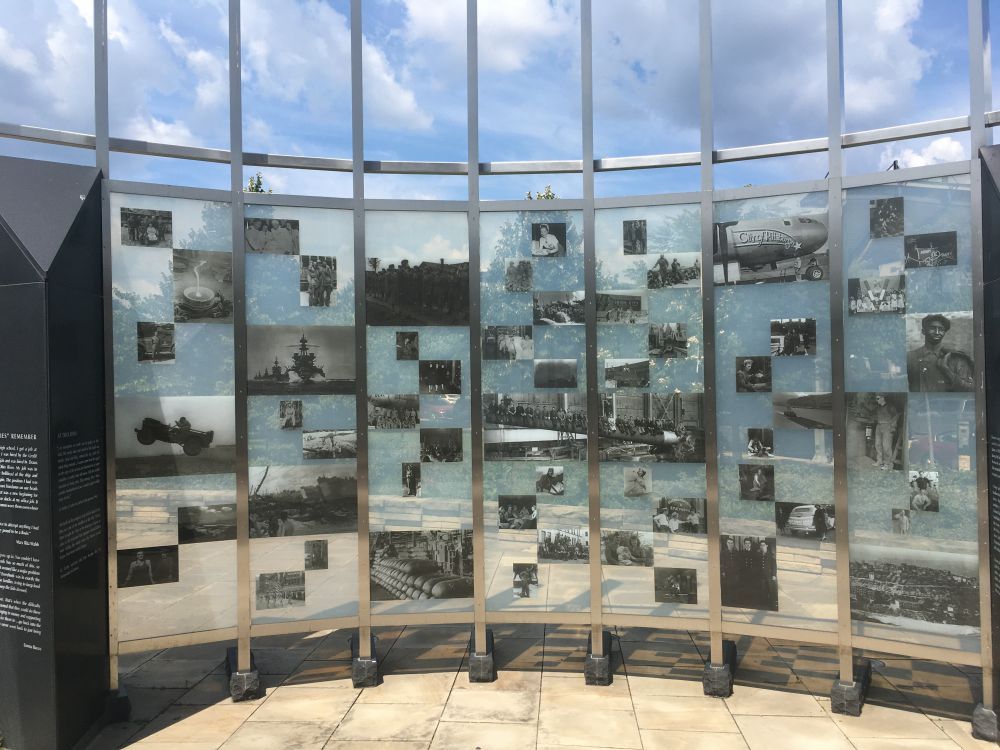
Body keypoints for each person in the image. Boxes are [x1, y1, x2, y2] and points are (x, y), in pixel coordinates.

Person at [906, 313, 974, 392]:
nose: (937, 332)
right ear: (923, 331)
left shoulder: (956, 358)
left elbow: (969, 389)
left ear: (944, 333)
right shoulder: (910, 357)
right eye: (932, 328)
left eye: (941, 329)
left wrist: (947, 370)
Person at [872, 395, 899, 470]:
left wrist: (893, 426)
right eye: (876, 399)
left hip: (887, 426)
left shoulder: (890, 407)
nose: (877, 400)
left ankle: (887, 463)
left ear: (883, 398)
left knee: (886, 446)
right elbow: (876, 416)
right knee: (877, 444)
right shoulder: (878, 408)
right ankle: (880, 461)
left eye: (878, 398)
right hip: (879, 426)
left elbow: (896, 416)